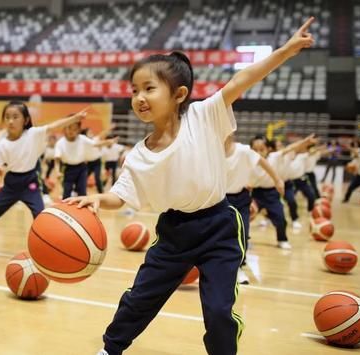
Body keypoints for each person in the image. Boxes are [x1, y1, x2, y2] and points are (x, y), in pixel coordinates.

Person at [67, 17, 316, 355]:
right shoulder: (138, 154)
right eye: (134, 90)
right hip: (174, 232)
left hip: (219, 226)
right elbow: (121, 194)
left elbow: (242, 79)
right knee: (140, 298)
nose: (139, 97)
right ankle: (111, 348)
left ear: (179, 94)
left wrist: (284, 52)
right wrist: (97, 198)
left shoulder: (203, 116)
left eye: (148, 88)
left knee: (217, 311)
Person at [0, 102, 88, 254]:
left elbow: (53, 126)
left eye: (15, 117)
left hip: (30, 183)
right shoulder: (2, 145)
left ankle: (44, 248)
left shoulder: (33, 134)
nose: (11, 121)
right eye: (7, 117)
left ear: (25, 120)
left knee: (40, 216)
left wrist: (75, 118)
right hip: (11, 184)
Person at [225, 133, 284, 284]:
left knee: (242, 234)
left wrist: (277, 180)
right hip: (218, 198)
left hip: (240, 198)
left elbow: (262, 162)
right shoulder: (209, 150)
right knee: (216, 236)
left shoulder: (243, 151)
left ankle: (238, 268)